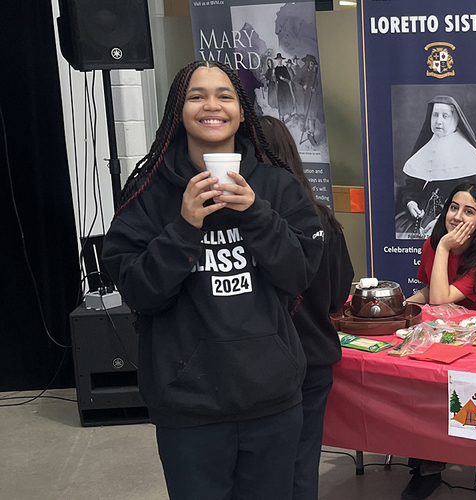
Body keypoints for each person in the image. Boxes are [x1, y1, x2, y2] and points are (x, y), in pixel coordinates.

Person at [102, 60, 324, 500]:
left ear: (242, 112)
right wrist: (184, 227)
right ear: (178, 110)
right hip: (188, 405)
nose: (212, 105)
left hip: (272, 399)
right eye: (196, 96)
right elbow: (139, 292)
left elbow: (299, 274)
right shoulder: (149, 190)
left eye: (225, 95)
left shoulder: (278, 187)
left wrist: (257, 213)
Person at [259, 116, 354, 500]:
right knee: (302, 466)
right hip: (313, 357)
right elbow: (337, 296)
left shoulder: (243, 227)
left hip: (262, 363)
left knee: (262, 471)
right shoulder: (323, 221)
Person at [400, 182, 476, 500]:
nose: (458, 216)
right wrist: (401, 306)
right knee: (419, 387)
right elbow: (428, 292)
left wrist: (445, 248)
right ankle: (426, 468)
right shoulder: (433, 244)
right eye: (453, 207)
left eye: (469, 211)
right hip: (441, 337)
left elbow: (440, 297)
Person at [395, 95, 476, 240]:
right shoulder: (426, 147)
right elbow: (412, 186)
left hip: (456, 218)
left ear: (455, 119)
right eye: (435, 115)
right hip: (421, 213)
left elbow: (471, 198)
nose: (438, 121)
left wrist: (442, 220)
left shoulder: (466, 152)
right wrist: (411, 202)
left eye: (445, 116)